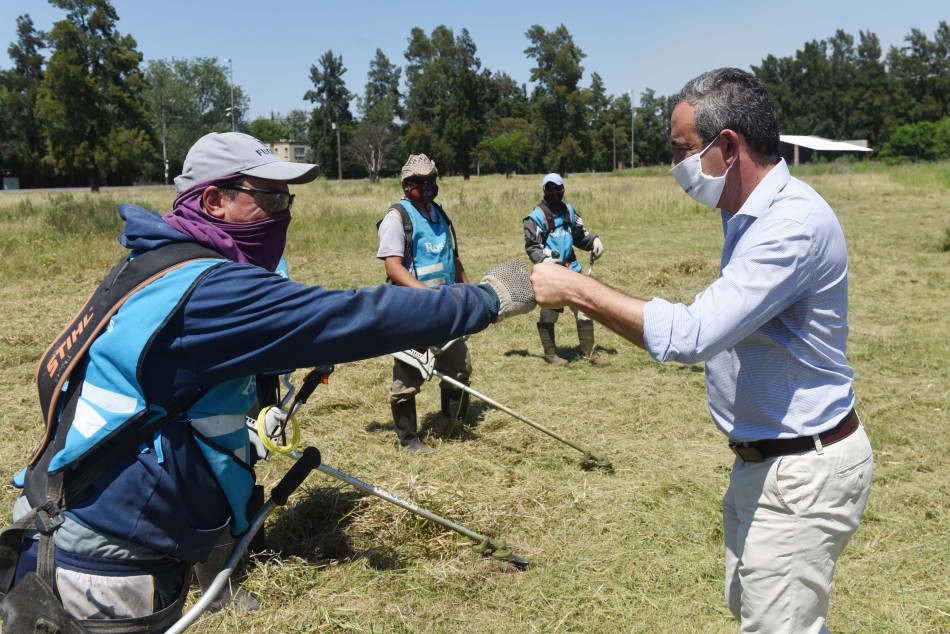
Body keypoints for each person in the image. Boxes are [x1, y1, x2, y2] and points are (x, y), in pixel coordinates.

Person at [0, 133, 534, 632]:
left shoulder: (154, 263)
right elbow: (347, 317)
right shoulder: (209, 290)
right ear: (214, 202)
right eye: (272, 199)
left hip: (71, 513)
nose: (284, 215)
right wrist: (487, 299)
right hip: (100, 558)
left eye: (288, 201)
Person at [530, 68, 873, 633]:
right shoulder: (745, 213)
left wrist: (575, 288)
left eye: (683, 151)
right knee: (758, 609)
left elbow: (692, 335)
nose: (675, 168)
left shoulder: (790, 225)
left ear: (729, 146)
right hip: (764, 462)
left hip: (801, 470)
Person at [376, 154, 472, 452]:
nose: (427, 186)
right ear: (406, 185)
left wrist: (468, 291)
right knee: (407, 378)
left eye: (431, 180)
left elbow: (451, 258)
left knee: (459, 368)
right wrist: (426, 295)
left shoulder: (440, 214)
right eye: (420, 182)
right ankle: (409, 441)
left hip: (447, 307)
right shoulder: (397, 218)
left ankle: (453, 424)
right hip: (413, 310)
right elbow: (393, 266)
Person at [524, 173, 608, 366]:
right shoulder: (535, 217)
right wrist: (544, 261)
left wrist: (593, 240)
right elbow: (532, 246)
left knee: (584, 311)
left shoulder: (570, 211)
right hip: (552, 274)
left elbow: (579, 236)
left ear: (563, 190)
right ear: (544, 190)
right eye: (550, 189)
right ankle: (551, 355)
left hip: (572, 270)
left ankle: (590, 354)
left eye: (558, 189)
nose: (554, 192)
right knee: (549, 314)